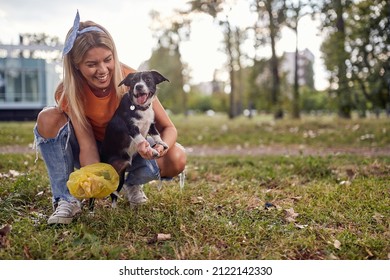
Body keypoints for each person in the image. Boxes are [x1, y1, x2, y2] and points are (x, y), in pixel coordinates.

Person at [34, 11, 186, 225]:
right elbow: (86, 145)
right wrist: (97, 178)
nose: (102, 70)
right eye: (91, 64)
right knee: (48, 117)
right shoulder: (69, 91)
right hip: (96, 152)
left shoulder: (132, 79)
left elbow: (168, 128)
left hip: (130, 150)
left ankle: (131, 184)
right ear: (76, 65)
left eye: (108, 60)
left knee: (177, 156)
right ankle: (66, 199)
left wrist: (161, 148)